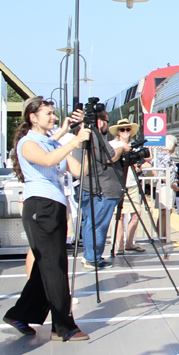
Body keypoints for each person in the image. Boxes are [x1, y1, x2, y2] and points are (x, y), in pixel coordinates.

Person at [3, 97, 91, 341]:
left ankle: (19, 313)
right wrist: (71, 140)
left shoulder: (52, 143)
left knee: (48, 266)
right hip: (40, 206)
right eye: (48, 114)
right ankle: (63, 327)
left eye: (53, 114)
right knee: (54, 267)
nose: (53, 118)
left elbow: (80, 170)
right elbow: (48, 161)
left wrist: (85, 142)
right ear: (33, 117)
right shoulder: (27, 143)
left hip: (54, 205)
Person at [75, 109, 126, 270]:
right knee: (98, 224)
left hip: (92, 188)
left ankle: (90, 255)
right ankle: (93, 258)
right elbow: (109, 157)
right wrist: (122, 149)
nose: (108, 125)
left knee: (91, 223)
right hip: (101, 190)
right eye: (107, 121)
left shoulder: (87, 135)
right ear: (100, 122)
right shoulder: (95, 136)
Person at [110, 119, 144, 254]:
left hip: (133, 183)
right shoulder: (112, 145)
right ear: (118, 132)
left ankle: (129, 243)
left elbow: (142, 163)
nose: (125, 132)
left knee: (137, 214)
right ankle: (119, 245)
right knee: (120, 215)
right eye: (122, 129)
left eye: (127, 129)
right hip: (118, 182)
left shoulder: (134, 146)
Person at [154, 135, 178, 242]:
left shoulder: (160, 155)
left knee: (163, 212)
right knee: (166, 212)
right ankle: (163, 237)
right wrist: (173, 186)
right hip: (166, 187)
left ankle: (161, 235)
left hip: (162, 187)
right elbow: (164, 175)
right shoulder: (166, 157)